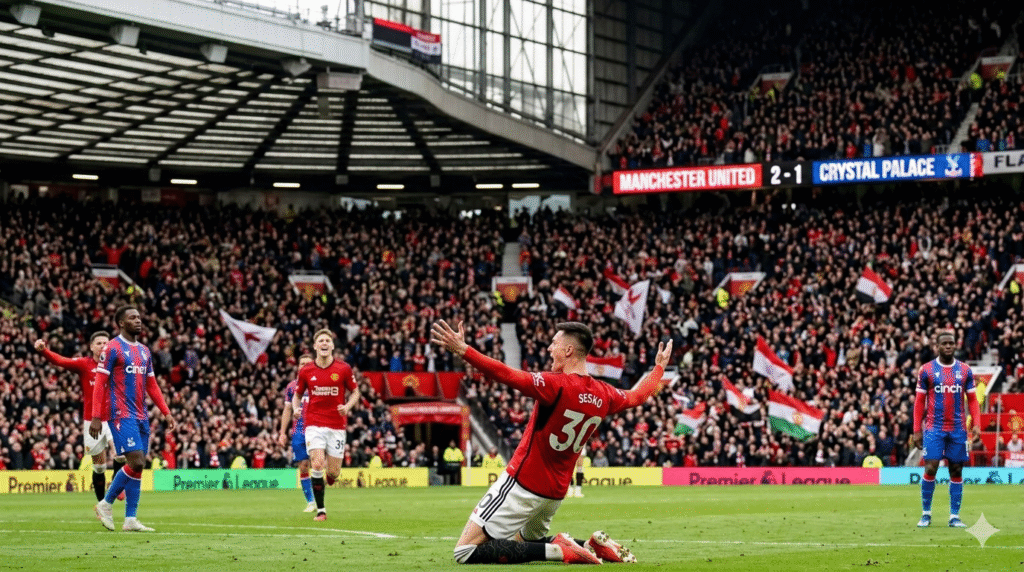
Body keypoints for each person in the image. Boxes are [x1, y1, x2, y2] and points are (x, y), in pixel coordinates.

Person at [432, 319, 672, 564]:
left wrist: (464, 350)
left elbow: (506, 374)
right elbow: (637, 396)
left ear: (568, 350)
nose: (549, 348)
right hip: (555, 493)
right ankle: (590, 546)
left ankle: (560, 550)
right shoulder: (605, 393)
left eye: (554, 343)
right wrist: (658, 369)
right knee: (522, 542)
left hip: (523, 483)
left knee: (465, 551)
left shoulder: (555, 384)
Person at [92, 306, 175, 532]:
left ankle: (130, 519)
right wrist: (96, 416)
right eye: (132, 318)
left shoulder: (145, 351)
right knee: (136, 462)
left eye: (139, 317)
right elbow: (100, 383)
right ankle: (105, 503)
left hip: (141, 414)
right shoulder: (112, 348)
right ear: (121, 323)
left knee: (138, 467)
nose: (138, 320)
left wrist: (166, 411)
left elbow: (152, 385)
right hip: (120, 413)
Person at [34, 331, 127, 504]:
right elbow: (61, 361)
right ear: (91, 347)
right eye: (99, 343)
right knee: (99, 467)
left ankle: (117, 483)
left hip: (114, 418)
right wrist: (44, 351)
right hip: (92, 422)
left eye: (106, 343)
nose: (103, 346)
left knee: (121, 453)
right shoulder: (84, 364)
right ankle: (102, 504)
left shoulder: (116, 365)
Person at [913, 330, 981, 528]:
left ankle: (954, 516)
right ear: (937, 346)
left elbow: (973, 400)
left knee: (956, 469)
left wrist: (976, 424)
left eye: (951, 343)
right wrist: (916, 429)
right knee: (931, 467)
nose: (948, 346)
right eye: (944, 343)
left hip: (958, 429)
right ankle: (926, 514)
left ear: (955, 345)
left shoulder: (965, 370)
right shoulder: (926, 370)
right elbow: (919, 402)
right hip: (934, 428)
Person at [293, 329, 359, 521]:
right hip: (314, 423)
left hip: (336, 425)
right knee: (317, 463)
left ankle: (330, 477)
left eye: (327, 341)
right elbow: (297, 395)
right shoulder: (306, 370)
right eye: (321, 340)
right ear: (315, 346)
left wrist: (347, 407)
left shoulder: (343, 368)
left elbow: (355, 392)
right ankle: (321, 510)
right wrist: (296, 409)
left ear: (332, 346)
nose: (324, 343)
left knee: (334, 472)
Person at [279, 353, 316, 512]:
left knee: (318, 464)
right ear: (298, 367)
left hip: (316, 429)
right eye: (302, 363)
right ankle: (311, 502)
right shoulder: (291, 387)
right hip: (299, 431)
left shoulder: (320, 385)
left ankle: (319, 498)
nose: (305, 366)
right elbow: (287, 410)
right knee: (303, 466)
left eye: (308, 363)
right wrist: (282, 432)